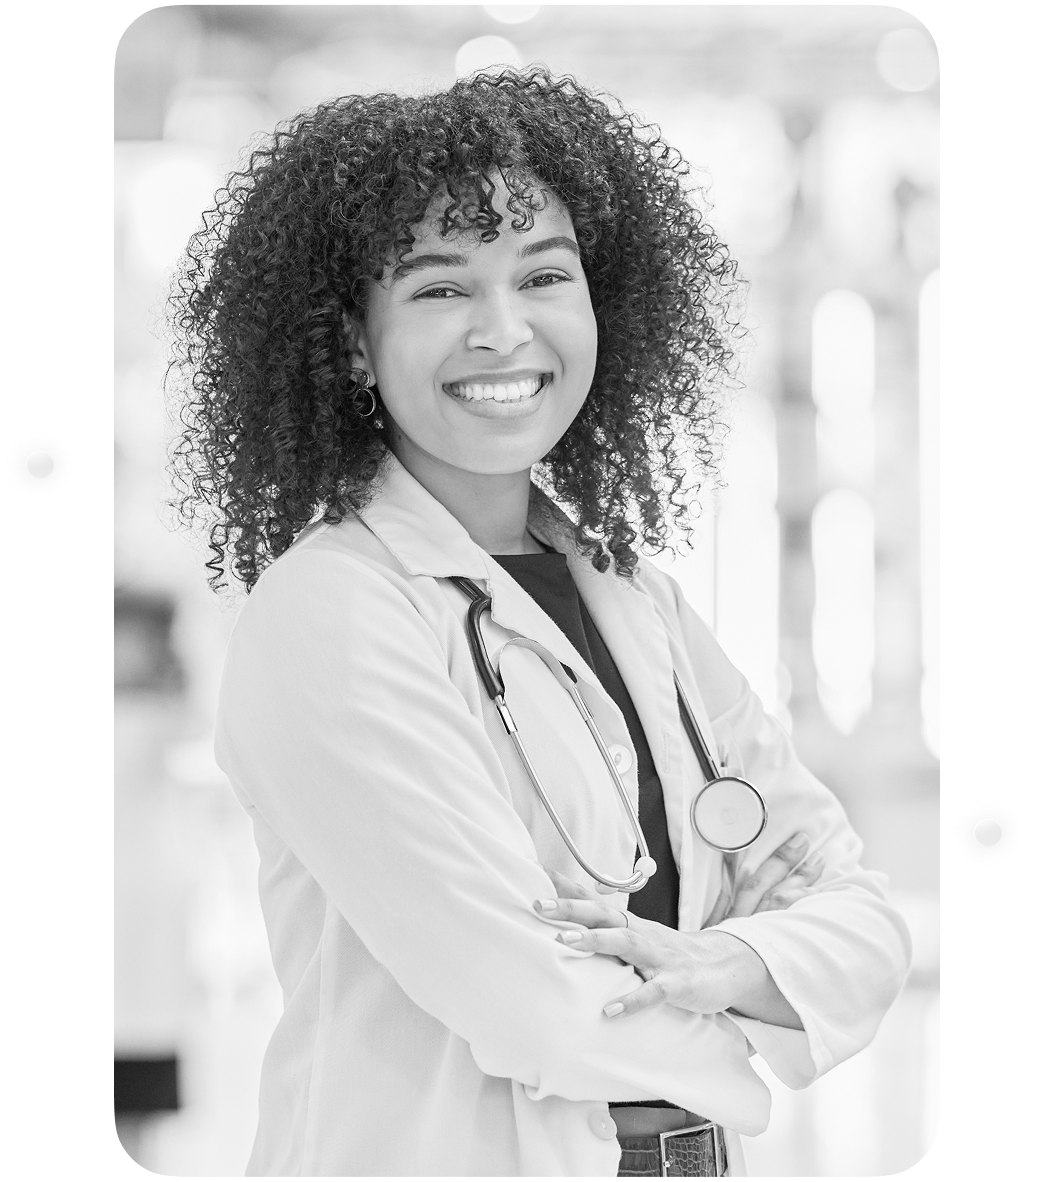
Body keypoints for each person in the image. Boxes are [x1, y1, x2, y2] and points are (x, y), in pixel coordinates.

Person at [168, 68, 911, 1177]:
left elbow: (858, 915)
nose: (502, 331)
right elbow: (532, 1008)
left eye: (543, 275)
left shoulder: (630, 595)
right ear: (352, 344)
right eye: (437, 290)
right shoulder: (329, 613)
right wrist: (752, 1010)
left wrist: (726, 963)